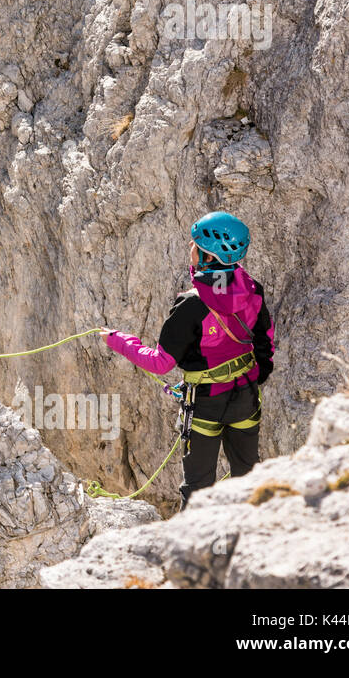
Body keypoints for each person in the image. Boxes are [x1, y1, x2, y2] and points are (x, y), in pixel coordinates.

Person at [102, 211, 275, 509]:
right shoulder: (251, 289)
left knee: (197, 489)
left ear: (207, 256)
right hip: (245, 395)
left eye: (194, 245)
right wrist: (249, 378)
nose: (190, 249)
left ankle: (192, 549)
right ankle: (255, 539)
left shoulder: (192, 304)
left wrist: (117, 340)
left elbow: (161, 363)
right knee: (249, 477)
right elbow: (265, 343)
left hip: (206, 403)